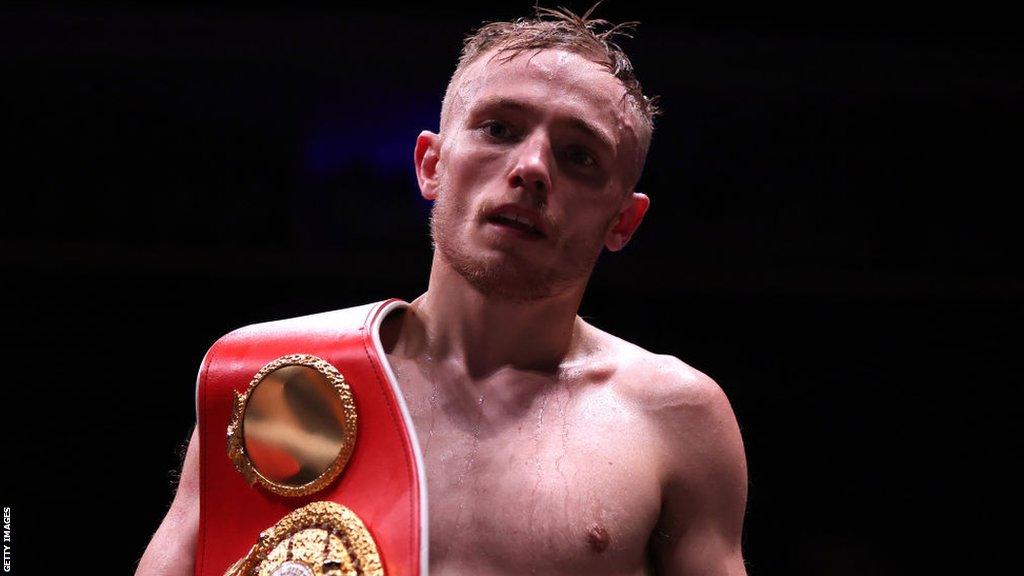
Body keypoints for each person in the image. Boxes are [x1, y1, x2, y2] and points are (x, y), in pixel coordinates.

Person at [138, 6, 748, 575]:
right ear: (431, 164)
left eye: (579, 156)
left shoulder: (672, 416)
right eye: (499, 128)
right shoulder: (281, 377)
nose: (532, 167)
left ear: (623, 221)